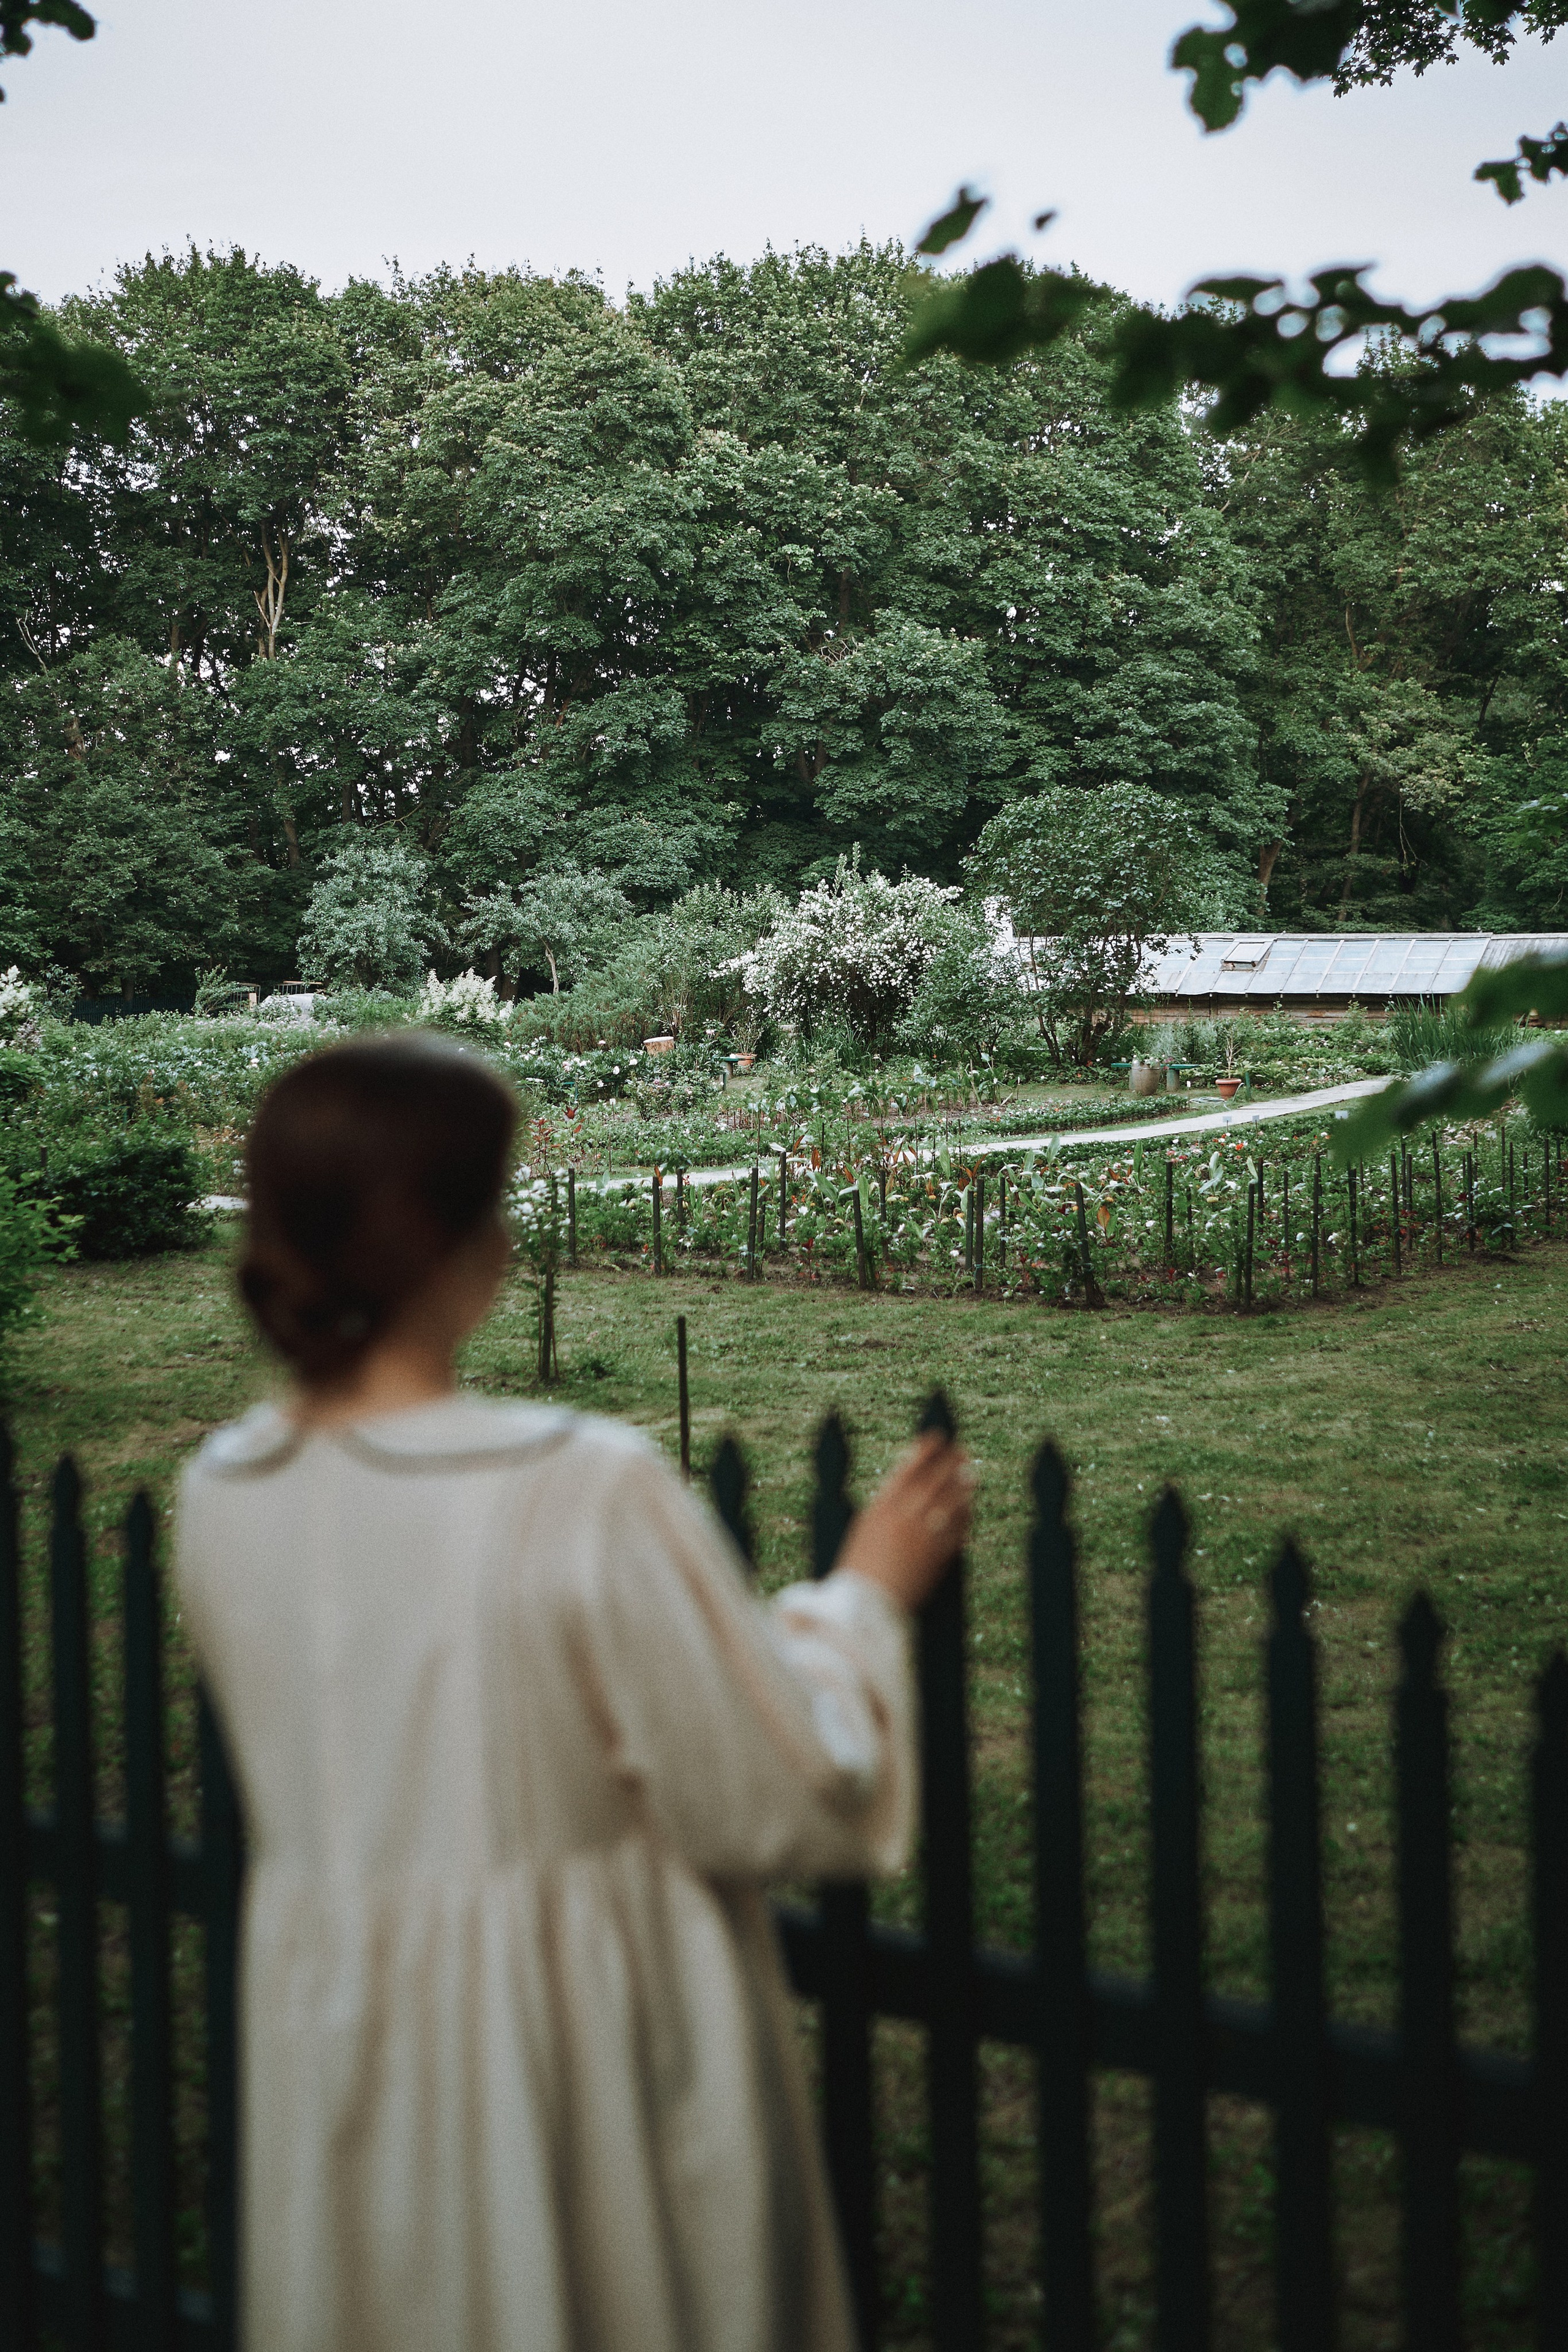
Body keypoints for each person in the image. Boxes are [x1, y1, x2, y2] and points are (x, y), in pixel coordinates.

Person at [176, 1033, 971, 2352]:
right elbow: (780, 1787)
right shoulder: (571, 1484)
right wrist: (863, 1598)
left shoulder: (225, 1489)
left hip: (336, 2033)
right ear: (462, 1238)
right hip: (578, 2045)